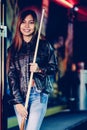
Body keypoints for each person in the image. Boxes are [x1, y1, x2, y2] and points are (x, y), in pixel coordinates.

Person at [7, 9, 57, 130]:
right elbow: (11, 76)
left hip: (38, 94)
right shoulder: (13, 49)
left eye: (31, 22)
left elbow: (53, 68)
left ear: (35, 25)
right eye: (24, 22)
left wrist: (40, 69)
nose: (27, 26)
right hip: (20, 96)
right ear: (19, 24)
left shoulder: (45, 46)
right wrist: (17, 102)